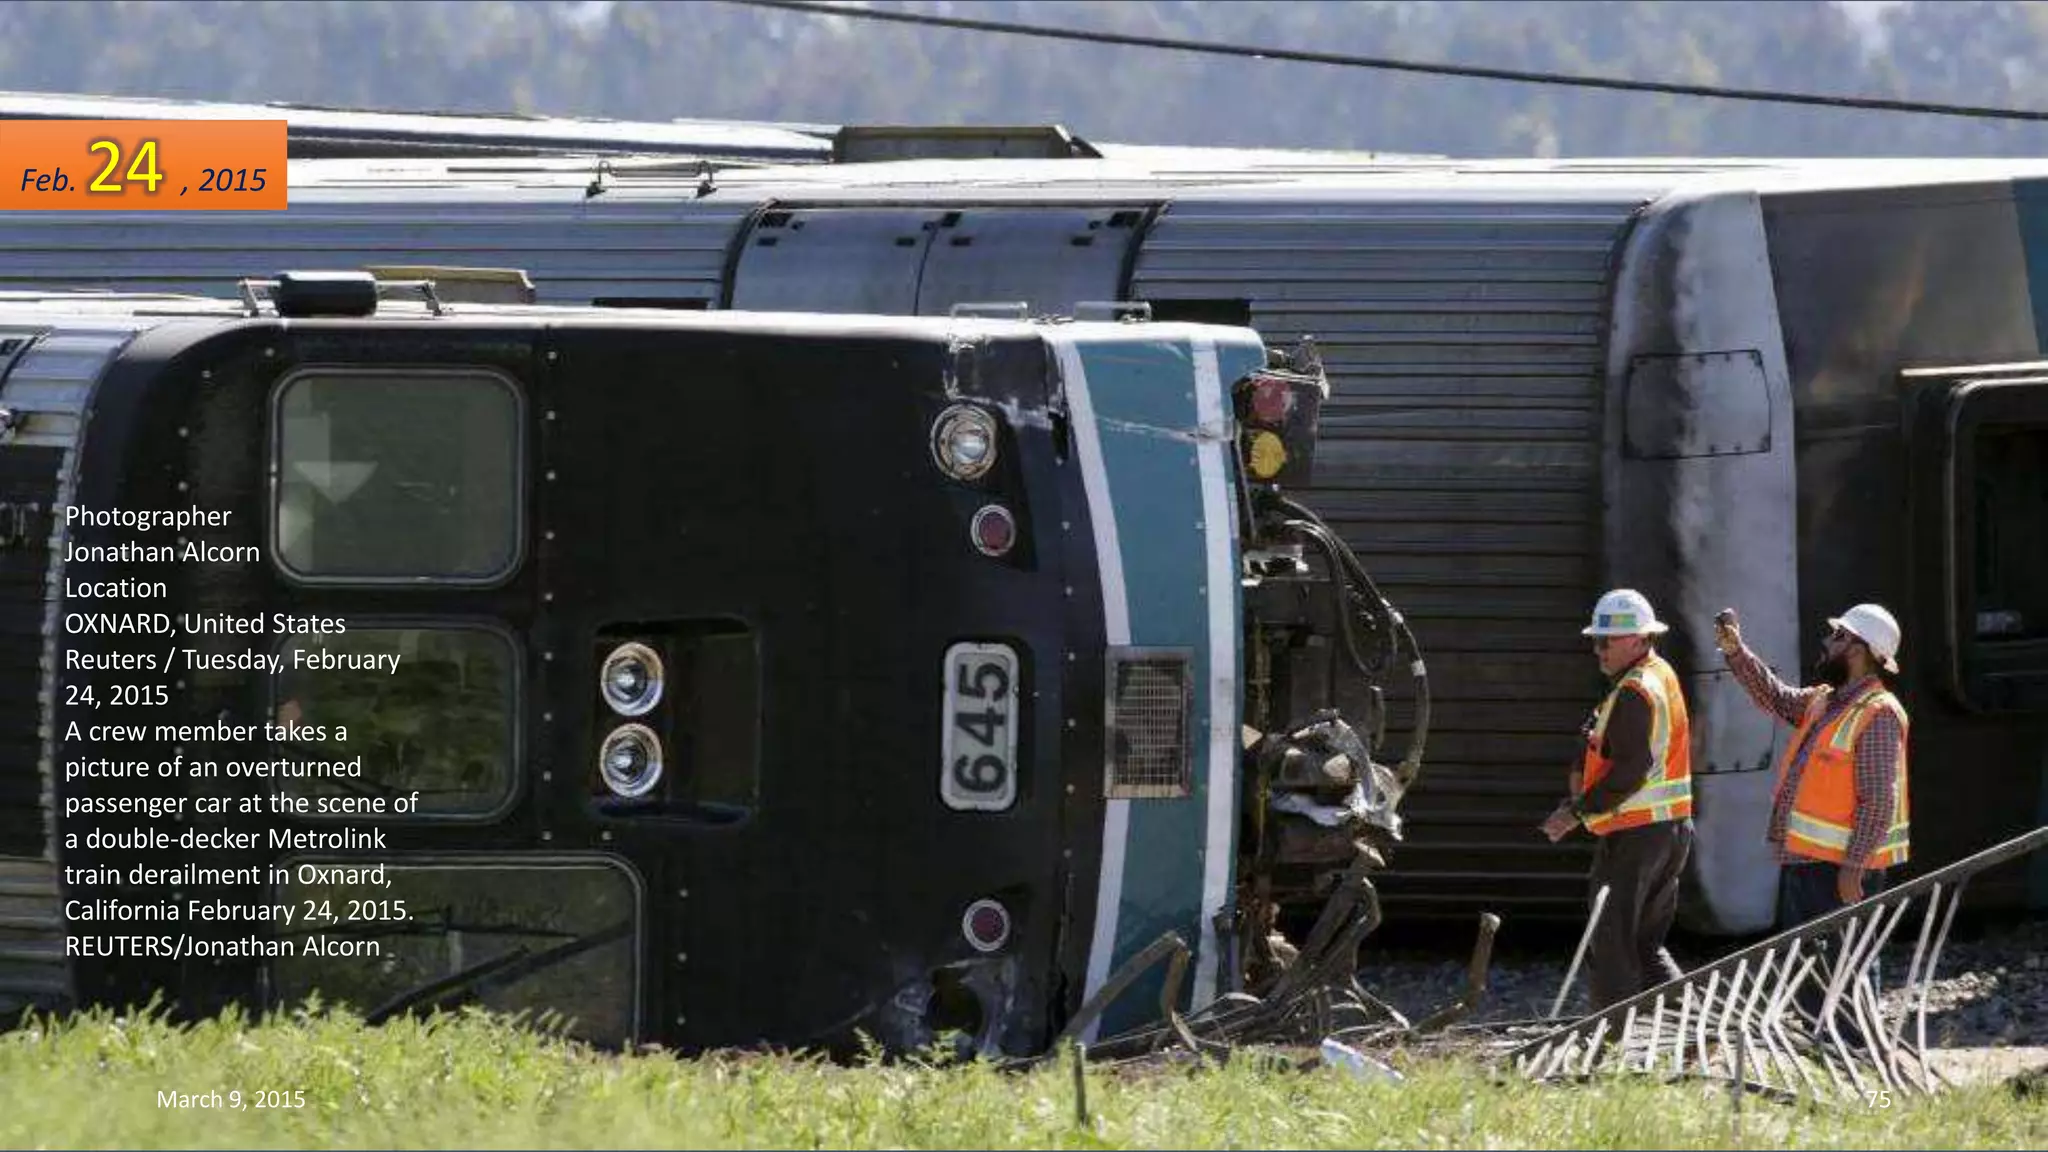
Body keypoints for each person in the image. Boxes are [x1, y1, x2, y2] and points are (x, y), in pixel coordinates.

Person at [1540, 589, 1695, 1011]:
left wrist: (1576, 811)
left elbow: (1631, 769)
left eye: (1604, 641)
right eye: (1595, 641)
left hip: (1638, 834)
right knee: (1644, 944)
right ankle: (1692, 1031)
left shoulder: (1634, 691)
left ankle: (1612, 1040)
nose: (1597, 650)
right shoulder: (1658, 675)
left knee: (1610, 940)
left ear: (1635, 639)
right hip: (1668, 830)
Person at [1714, 603, 1910, 925]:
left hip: (1836, 869)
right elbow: (1776, 697)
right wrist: (1736, 652)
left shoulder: (1878, 713)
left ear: (1858, 650)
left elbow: (1878, 798)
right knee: (1810, 968)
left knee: (1843, 966)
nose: (1827, 642)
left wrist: (1854, 865)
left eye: (1838, 635)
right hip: (1805, 862)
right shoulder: (1825, 700)